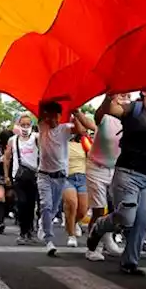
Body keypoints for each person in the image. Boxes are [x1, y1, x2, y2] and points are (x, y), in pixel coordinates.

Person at [85, 91, 146, 272]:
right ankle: (99, 227)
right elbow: (105, 113)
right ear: (144, 91)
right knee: (127, 217)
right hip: (127, 172)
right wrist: (109, 96)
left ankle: (130, 262)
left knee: (143, 220)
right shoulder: (134, 108)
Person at [35, 101, 94, 256]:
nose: (52, 120)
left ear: (61, 116)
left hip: (60, 176)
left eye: (56, 116)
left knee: (53, 209)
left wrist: (75, 111)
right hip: (44, 175)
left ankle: (45, 223)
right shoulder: (42, 127)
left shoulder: (64, 129)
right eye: (49, 116)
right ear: (45, 117)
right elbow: (41, 107)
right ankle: (49, 240)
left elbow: (81, 130)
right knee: (46, 206)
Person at [86, 96, 125, 256]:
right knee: (99, 210)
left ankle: (108, 241)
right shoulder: (105, 118)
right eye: (121, 96)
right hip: (96, 168)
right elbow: (98, 114)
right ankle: (92, 248)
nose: (124, 100)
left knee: (118, 209)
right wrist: (109, 96)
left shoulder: (129, 120)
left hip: (116, 169)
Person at [3, 112, 41, 245]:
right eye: (22, 124)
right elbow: (7, 158)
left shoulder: (36, 137)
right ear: (17, 125)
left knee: (31, 205)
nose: (25, 127)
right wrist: (6, 176)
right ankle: (22, 232)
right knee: (22, 203)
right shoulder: (13, 140)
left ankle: (29, 231)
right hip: (18, 176)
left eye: (27, 124)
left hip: (33, 176)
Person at [63, 132, 89, 248]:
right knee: (72, 203)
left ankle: (71, 223)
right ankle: (71, 235)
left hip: (83, 177)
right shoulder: (62, 142)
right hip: (67, 178)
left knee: (83, 210)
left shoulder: (84, 142)